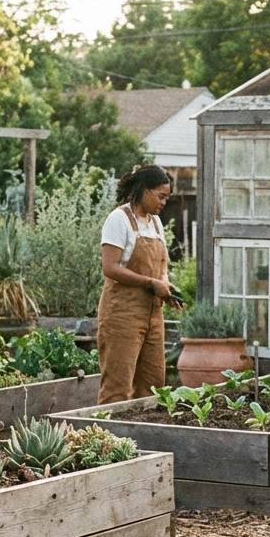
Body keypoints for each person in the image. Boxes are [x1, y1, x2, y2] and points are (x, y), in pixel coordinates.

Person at [96, 164, 178, 404]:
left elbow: (161, 268)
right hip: (122, 315)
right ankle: (108, 429)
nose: (164, 202)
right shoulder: (119, 219)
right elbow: (110, 268)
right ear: (144, 190)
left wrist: (166, 287)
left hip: (153, 316)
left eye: (167, 198)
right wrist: (151, 283)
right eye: (160, 196)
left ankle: (142, 429)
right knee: (117, 387)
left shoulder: (156, 223)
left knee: (153, 385)